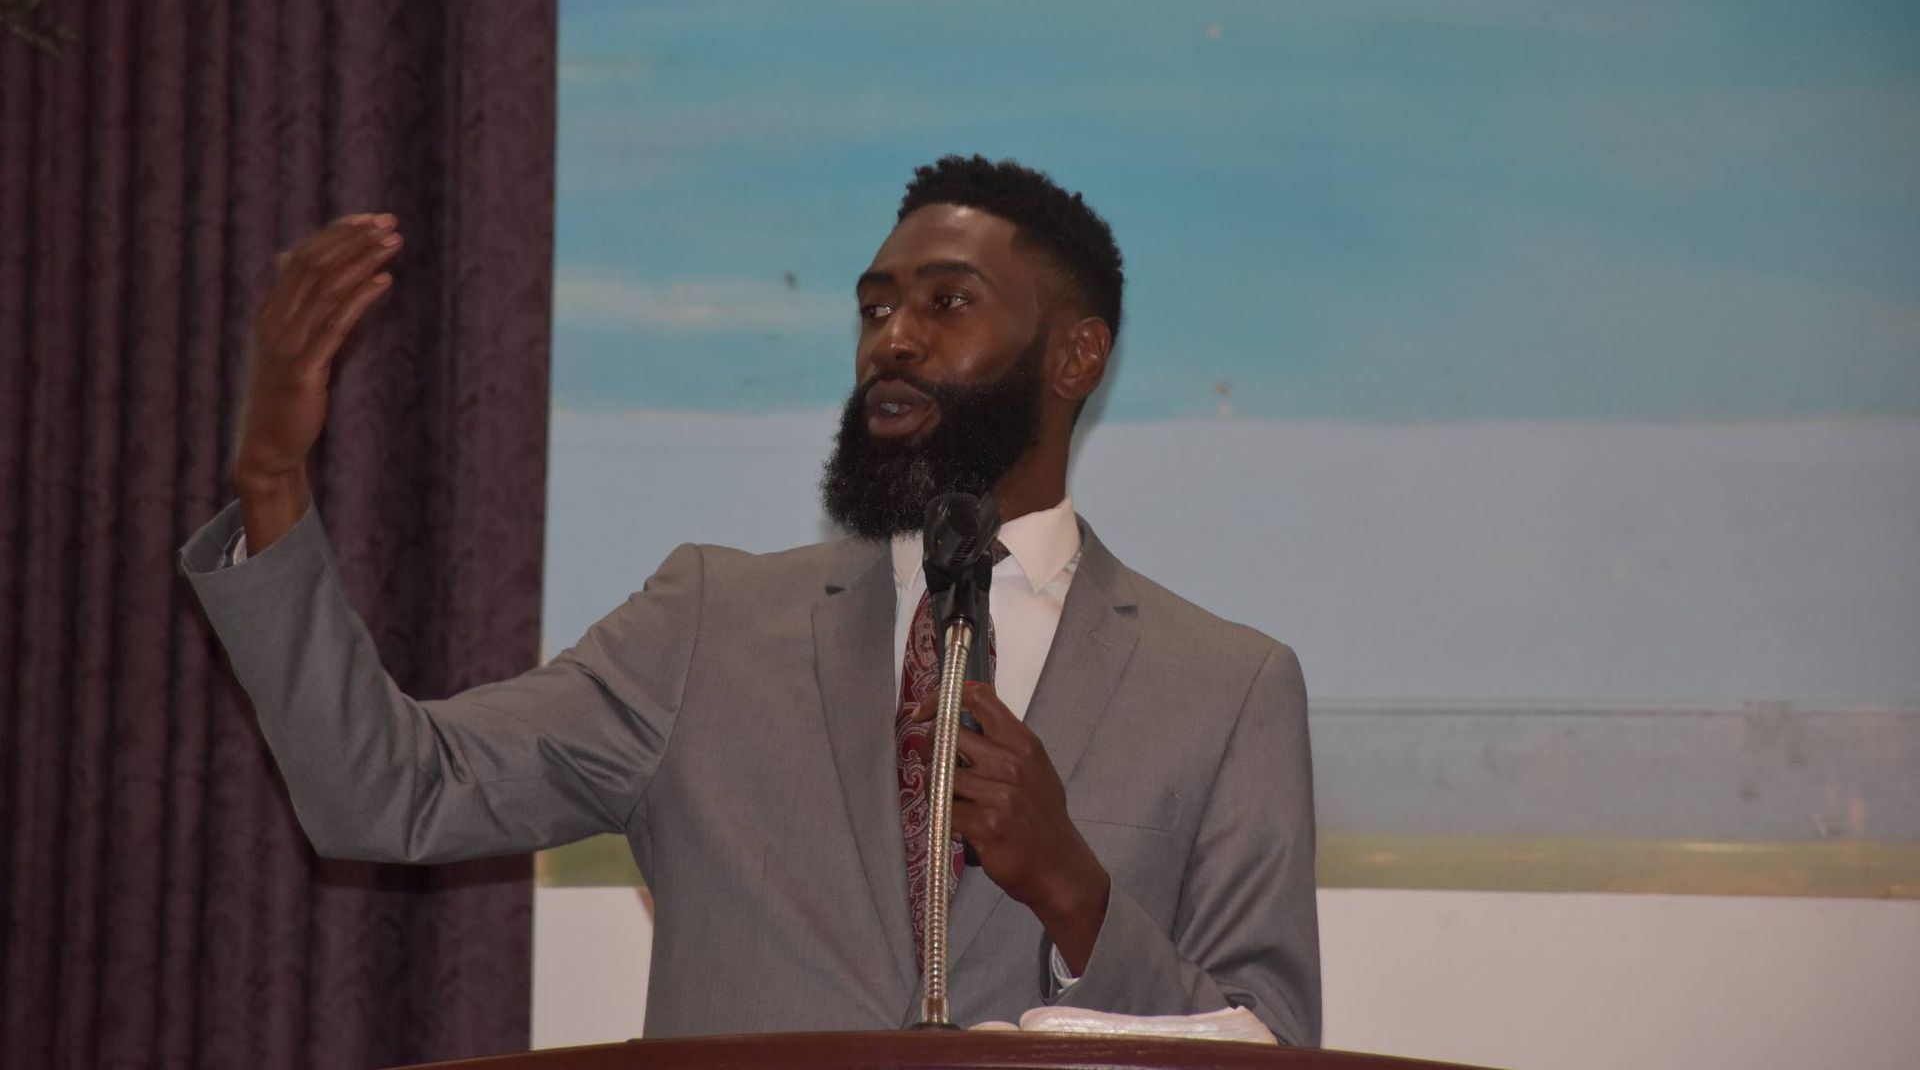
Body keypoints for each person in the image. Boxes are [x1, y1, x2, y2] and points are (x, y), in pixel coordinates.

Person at [180, 154, 1320, 1043]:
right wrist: (274, 483)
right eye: (875, 308)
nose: (895, 338)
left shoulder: (1225, 688)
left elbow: (1264, 1044)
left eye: (947, 301)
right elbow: (390, 792)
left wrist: (1074, 886)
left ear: (1077, 356)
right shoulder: (706, 624)